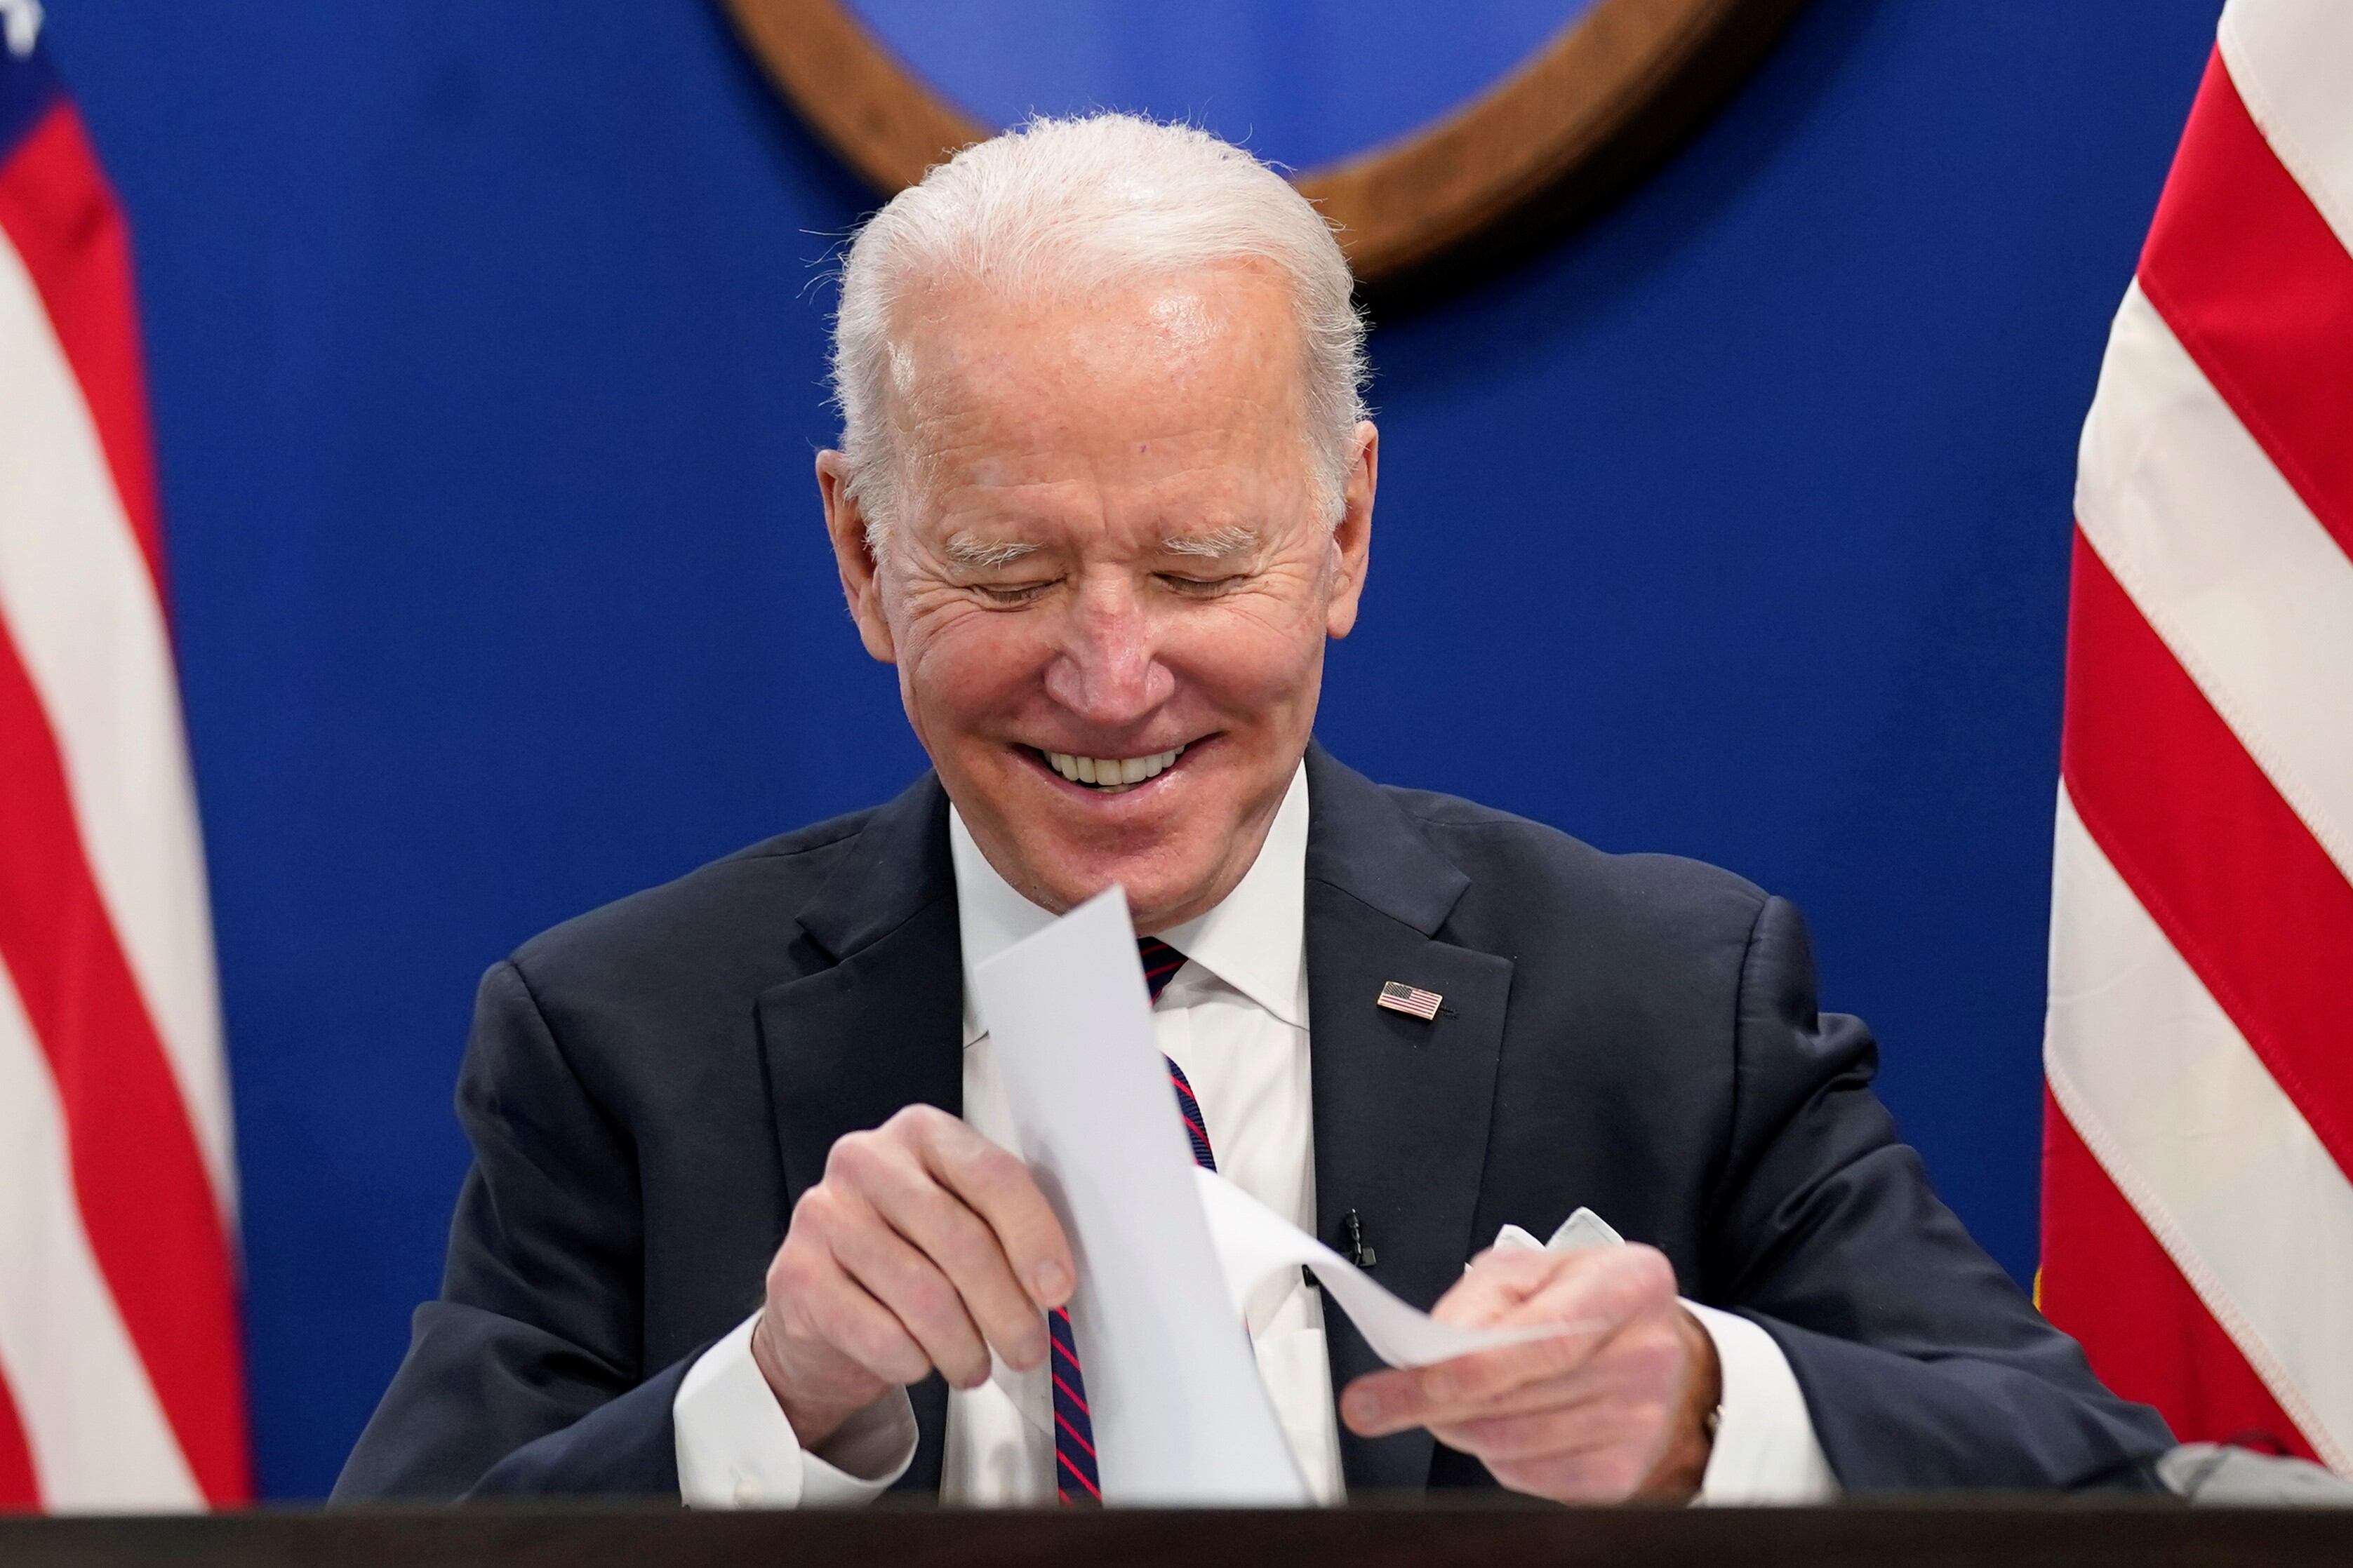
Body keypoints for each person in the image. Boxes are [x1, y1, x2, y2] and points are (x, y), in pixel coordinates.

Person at [334, 113, 2171, 1508]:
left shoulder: (1664, 997)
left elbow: (2084, 1467)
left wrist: (1699, 1401)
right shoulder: (617, 1035)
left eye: (1201, 564)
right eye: (1006, 569)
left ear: (1343, 533)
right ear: (863, 556)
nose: (1114, 674)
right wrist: (777, 1392)